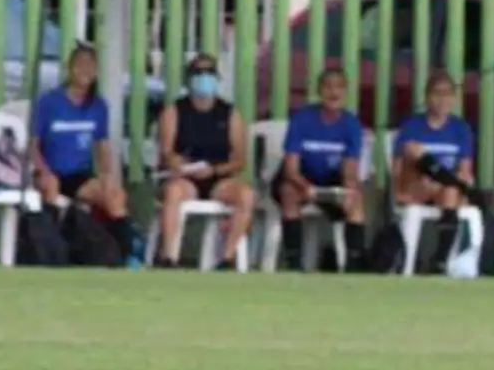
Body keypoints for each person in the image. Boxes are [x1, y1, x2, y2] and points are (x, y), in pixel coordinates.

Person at [154, 53, 253, 268]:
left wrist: (215, 170)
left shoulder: (230, 114)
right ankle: (169, 257)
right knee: (172, 192)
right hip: (186, 178)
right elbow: (166, 152)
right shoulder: (174, 111)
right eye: (199, 73)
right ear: (189, 79)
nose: (204, 77)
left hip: (218, 178)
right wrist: (177, 163)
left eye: (209, 72)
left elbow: (239, 159)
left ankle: (227, 257)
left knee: (245, 195)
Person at [271, 67, 368, 271]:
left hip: (330, 180)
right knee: (289, 192)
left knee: (355, 199)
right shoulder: (302, 119)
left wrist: (348, 188)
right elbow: (291, 168)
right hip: (300, 178)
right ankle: (294, 262)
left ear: (346, 92)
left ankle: (354, 265)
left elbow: (350, 169)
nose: (334, 93)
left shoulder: (351, 124)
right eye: (328, 87)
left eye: (339, 87)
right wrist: (306, 187)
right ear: (318, 91)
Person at [32, 43, 128, 223]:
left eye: (90, 65)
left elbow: (102, 147)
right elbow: (33, 145)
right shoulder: (48, 102)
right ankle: (50, 244)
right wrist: (43, 171)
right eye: (80, 64)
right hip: (50, 171)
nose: (85, 70)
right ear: (70, 68)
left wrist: (107, 176)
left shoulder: (99, 106)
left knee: (115, 195)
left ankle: (123, 246)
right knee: (51, 187)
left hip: (79, 175)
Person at [393, 70, 476, 210]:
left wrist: (450, 182)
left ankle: (447, 228)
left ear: (454, 98)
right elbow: (397, 171)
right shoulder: (411, 126)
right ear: (427, 96)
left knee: (450, 190)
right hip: (416, 188)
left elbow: (465, 171)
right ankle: (447, 181)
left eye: (448, 94)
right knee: (413, 149)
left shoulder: (461, 129)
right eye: (437, 93)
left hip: (448, 192)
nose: (442, 99)